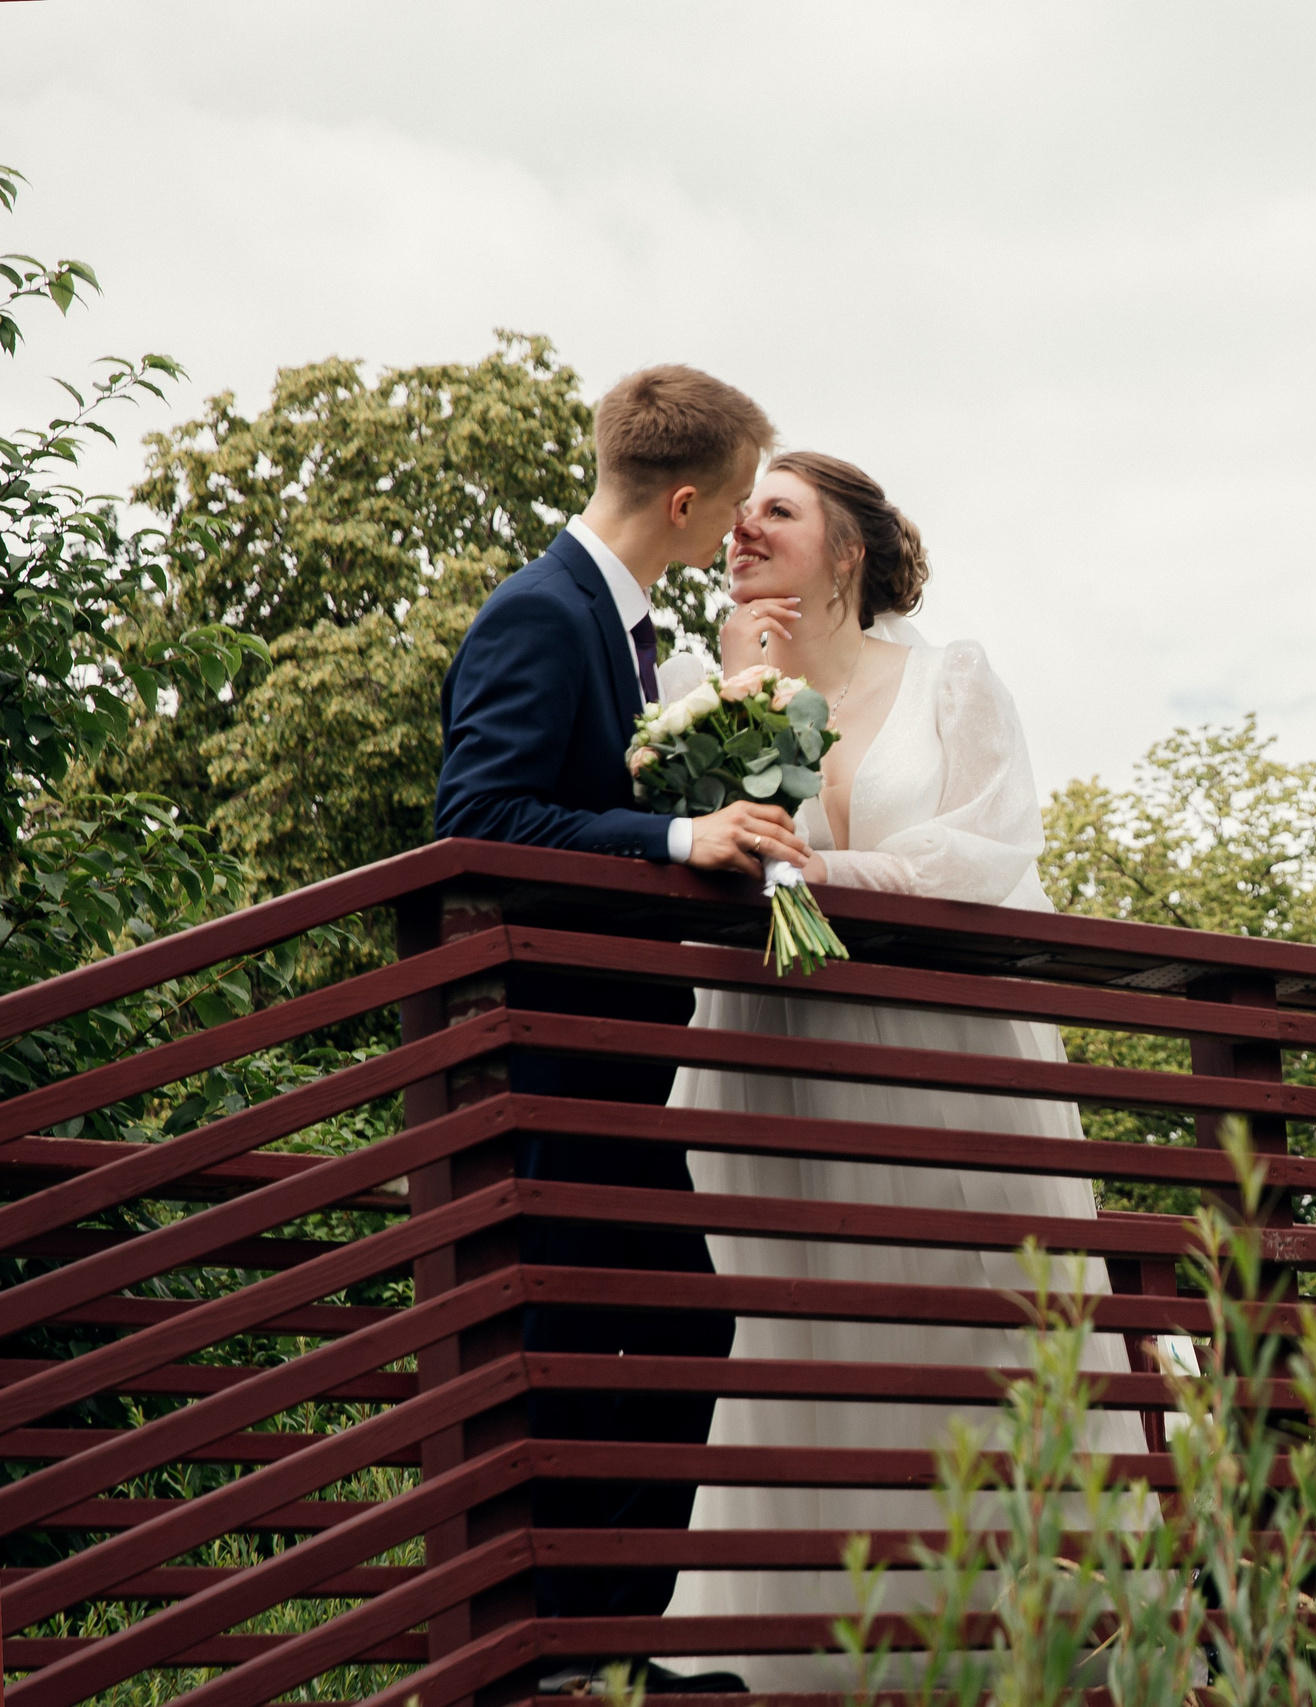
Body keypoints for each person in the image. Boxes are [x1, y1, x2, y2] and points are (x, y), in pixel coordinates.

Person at [659, 452, 1146, 1693]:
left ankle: (1032, 1652)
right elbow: (704, 862)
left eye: (776, 511)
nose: (742, 530)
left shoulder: (949, 681)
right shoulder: (697, 688)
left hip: (946, 1068)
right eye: (738, 516)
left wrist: (836, 876)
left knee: (980, 1329)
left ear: (849, 549)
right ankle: (807, 1670)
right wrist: (743, 697)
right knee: (806, 1340)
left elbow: (989, 845)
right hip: (783, 1073)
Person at [434, 365, 810, 1695]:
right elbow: (478, 818)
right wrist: (676, 836)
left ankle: (600, 1654)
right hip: (545, 1055)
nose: (740, 532)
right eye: (735, 505)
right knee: (598, 1341)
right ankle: (560, 1656)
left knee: (666, 1326)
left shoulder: (626, 624)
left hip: (611, 1061)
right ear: (688, 499)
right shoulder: (544, 612)